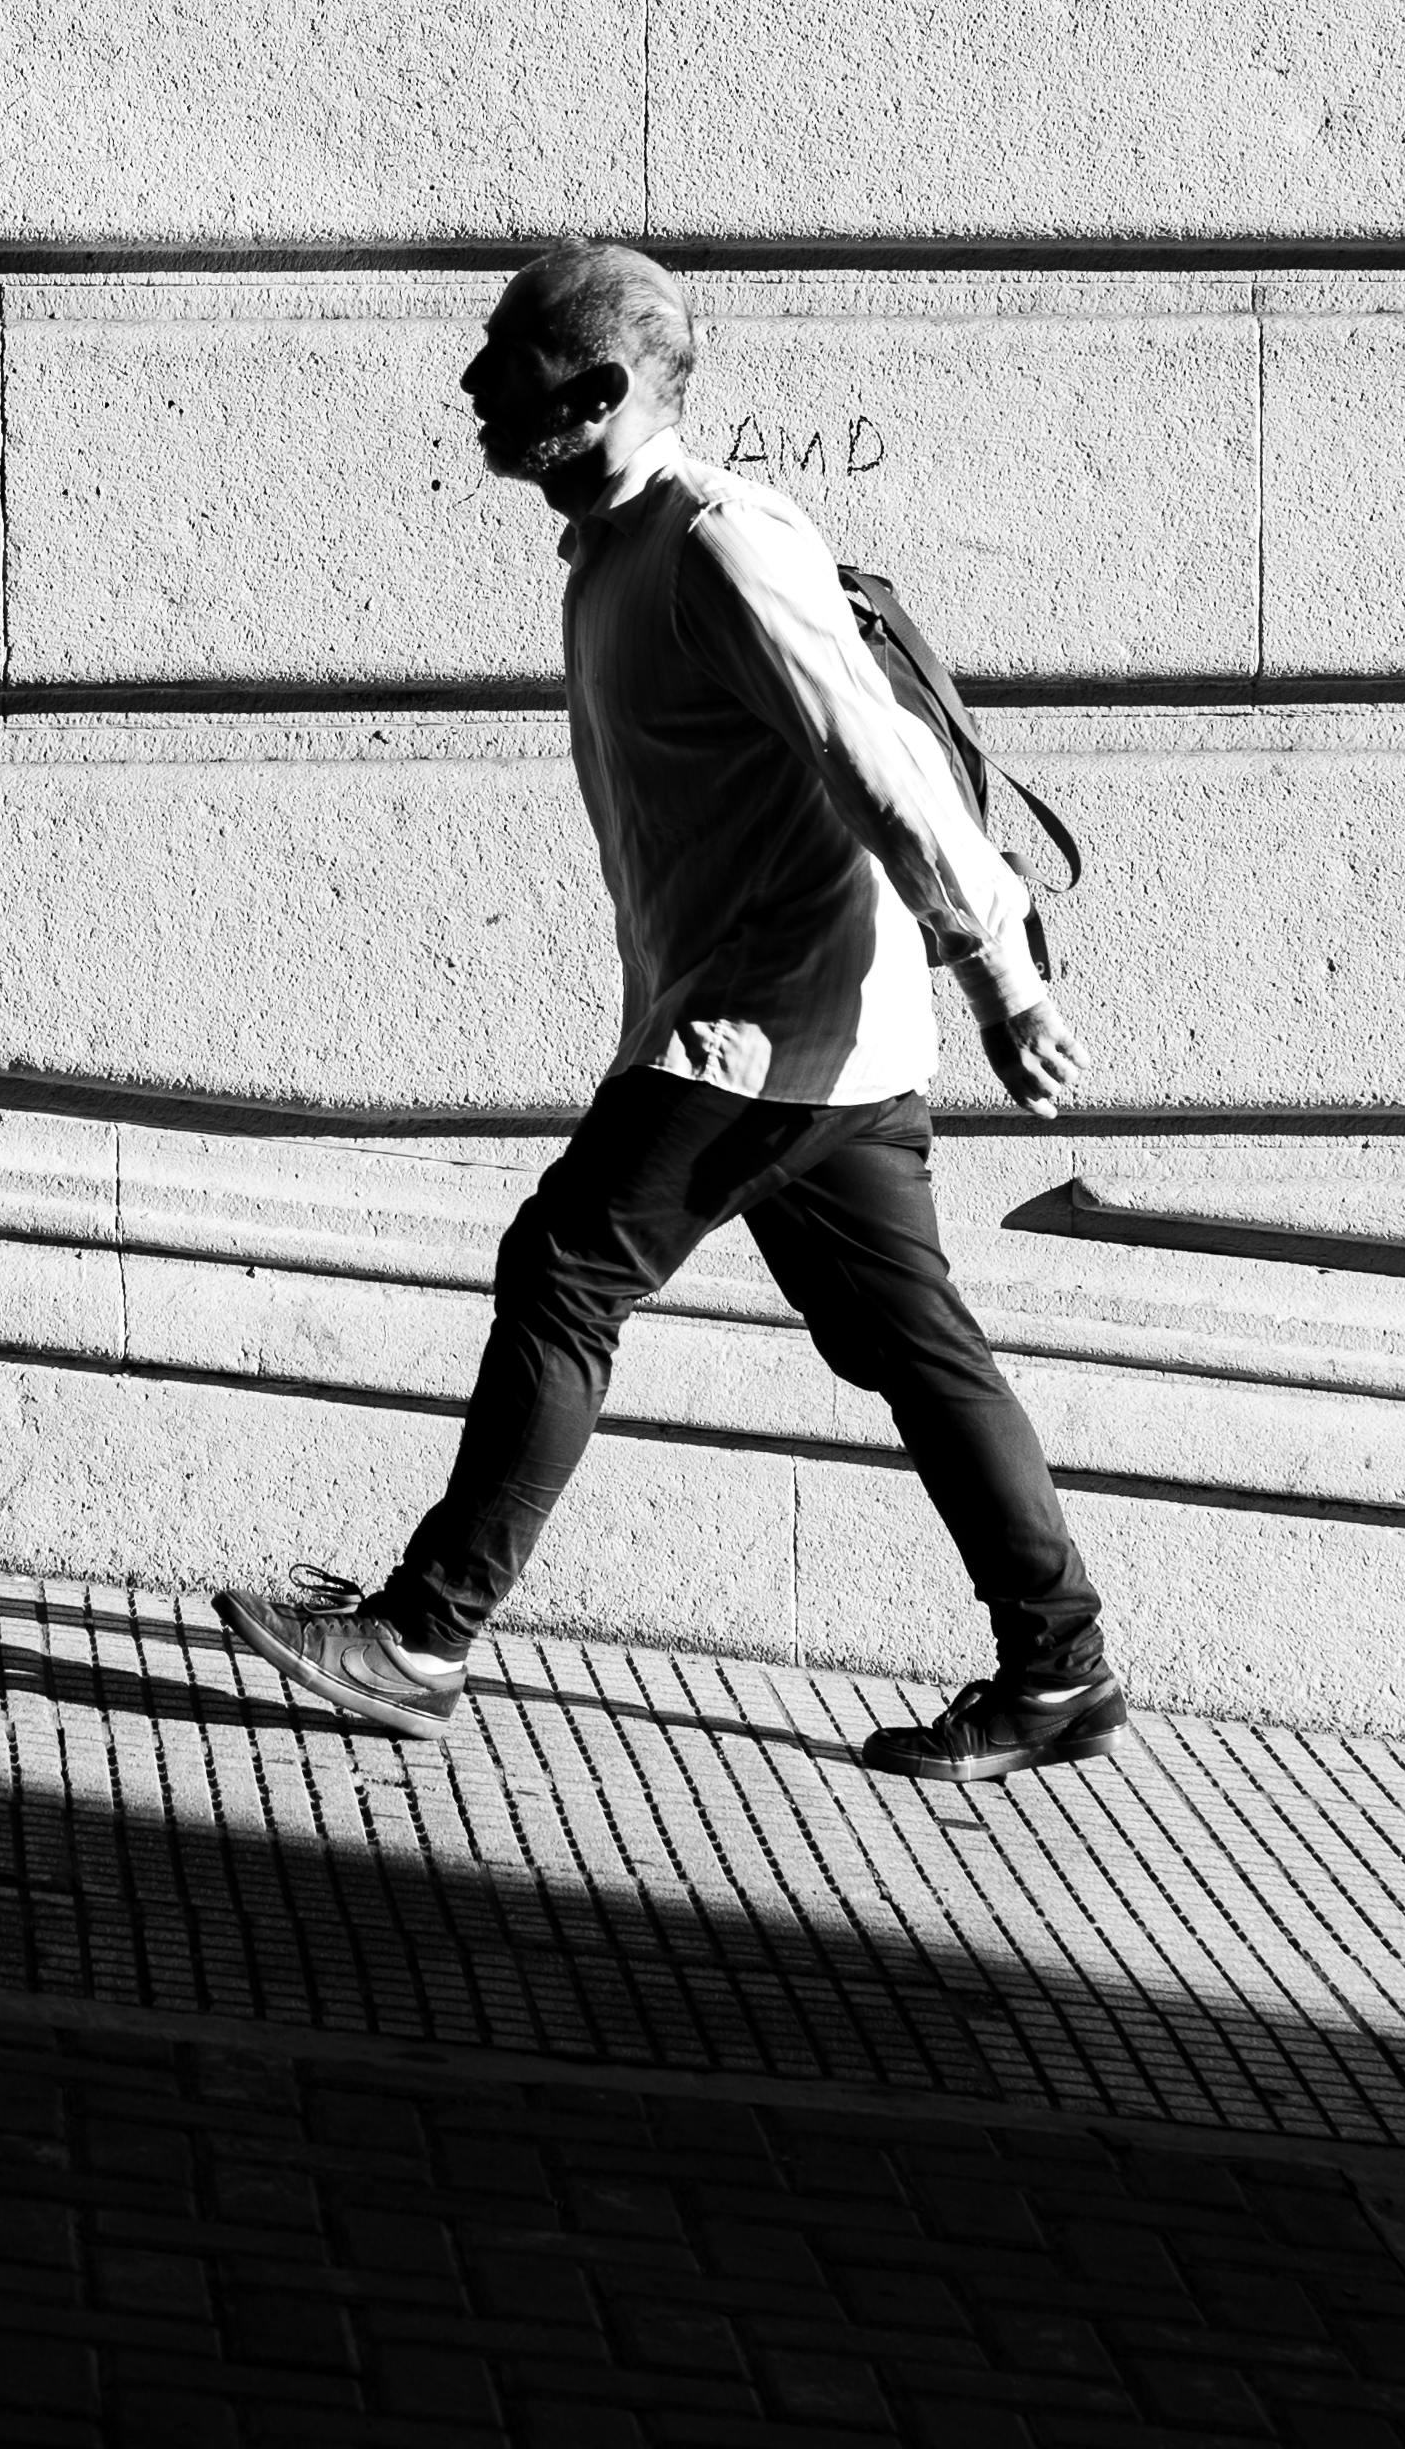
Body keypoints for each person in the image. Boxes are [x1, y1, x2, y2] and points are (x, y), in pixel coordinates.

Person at [216, 246, 1130, 1781]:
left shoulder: (721, 543)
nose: (470, 386)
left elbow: (877, 762)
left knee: (563, 1271)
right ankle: (1061, 1671)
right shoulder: (617, 547)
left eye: (502, 359)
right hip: (822, 1039)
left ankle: (423, 1638)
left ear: (594, 393)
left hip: (762, 1036)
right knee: (919, 1350)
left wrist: (1006, 981)